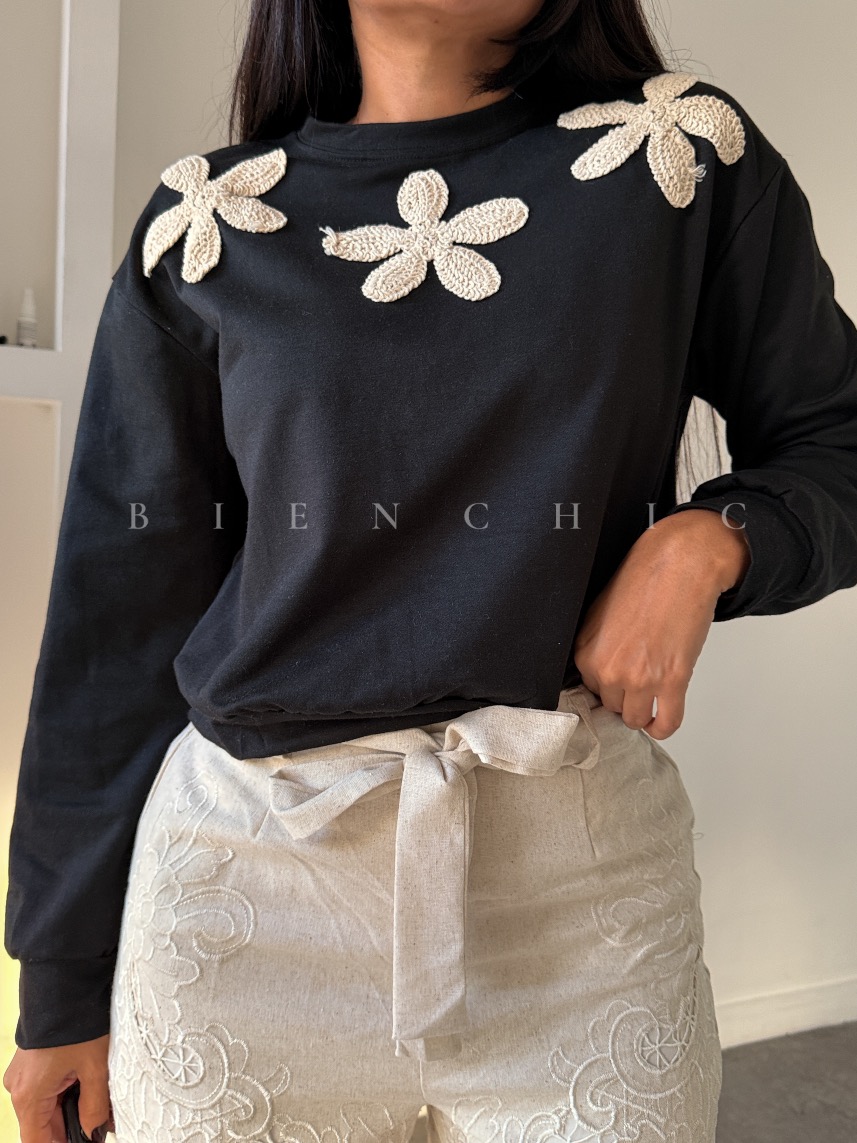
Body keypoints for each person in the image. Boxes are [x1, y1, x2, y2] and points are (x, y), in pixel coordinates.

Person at [5, 1, 857, 1140]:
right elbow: (115, 620)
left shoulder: (676, 159)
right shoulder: (207, 222)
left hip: (580, 903)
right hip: (239, 897)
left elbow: (836, 439)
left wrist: (708, 540)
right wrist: (62, 983)